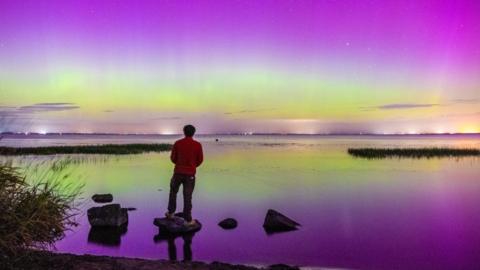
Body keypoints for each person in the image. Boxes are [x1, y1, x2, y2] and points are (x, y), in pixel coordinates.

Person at [166, 124, 203, 226]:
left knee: (173, 192)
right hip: (190, 174)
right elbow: (200, 160)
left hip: (178, 172)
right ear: (193, 133)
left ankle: (171, 213)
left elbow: (173, 158)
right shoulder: (197, 145)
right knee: (187, 196)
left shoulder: (178, 143)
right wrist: (192, 166)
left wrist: (180, 164)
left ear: (184, 132)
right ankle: (188, 220)